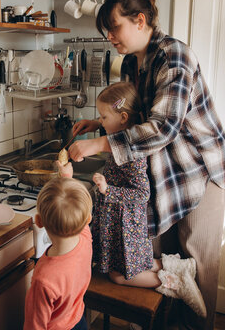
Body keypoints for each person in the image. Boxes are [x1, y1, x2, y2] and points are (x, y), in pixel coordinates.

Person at [68, 0, 225, 330]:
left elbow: (163, 127)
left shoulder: (175, 57)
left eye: (114, 28)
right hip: (162, 173)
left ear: (140, 21)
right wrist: (98, 122)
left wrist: (97, 146)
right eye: (106, 31)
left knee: (199, 264)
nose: (109, 36)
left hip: (196, 172)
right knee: (165, 262)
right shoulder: (130, 63)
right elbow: (137, 113)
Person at [59, 82, 206, 318]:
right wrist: (99, 123)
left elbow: (141, 195)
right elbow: (115, 120)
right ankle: (177, 266)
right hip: (118, 224)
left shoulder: (133, 156)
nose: (101, 121)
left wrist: (108, 190)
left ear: (124, 118)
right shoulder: (120, 135)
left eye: (103, 116)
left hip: (127, 225)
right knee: (139, 262)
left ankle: (176, 283)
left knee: (119, 276)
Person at [23, 177, 93, 330]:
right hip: (78, 321)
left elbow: (34, 326)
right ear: (88, 219)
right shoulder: (85, 239)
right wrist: (67, 177)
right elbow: (72, 208)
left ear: (39, 222)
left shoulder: (43, 280)